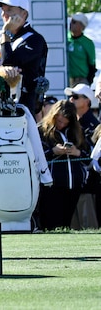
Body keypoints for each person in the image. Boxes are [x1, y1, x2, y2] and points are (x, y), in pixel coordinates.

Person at [0, 0, 48, 114]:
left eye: (9, 10)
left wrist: (6, 33)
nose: (4, 14)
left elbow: (8, 62)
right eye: (3, 10)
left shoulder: (35, 39)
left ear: (24, 13)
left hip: (22, 108)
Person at [38, 100, 88, 230]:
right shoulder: (41, 131)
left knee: (66, 224)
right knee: (51, 224)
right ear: (54, 116)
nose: (62, 125)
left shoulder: (76, 132)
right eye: (60, 121)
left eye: (66, 122)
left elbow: (89, 157)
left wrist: (77, 153)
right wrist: (53, 152)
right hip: (51, 186)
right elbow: (34, 157)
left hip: (74, 185)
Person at [65, 83, 99, 230]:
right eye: (70, 97)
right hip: (75, 183)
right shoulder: (72, 123)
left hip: (89, 185)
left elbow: (92, 154)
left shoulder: (92, 125)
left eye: (75, 97)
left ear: (87, 101)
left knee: (89, 226)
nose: (71, 100)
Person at [67, 13, 96, 87]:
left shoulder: (88, 43)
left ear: (81, 26)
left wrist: (88, 81)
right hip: (66, 79)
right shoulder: (65, 39)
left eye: (74, 22)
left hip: (81, 80)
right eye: (71, 21)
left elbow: (92, 65)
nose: (70, 24)